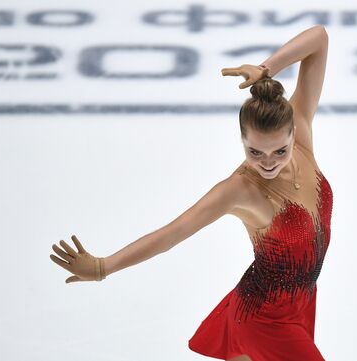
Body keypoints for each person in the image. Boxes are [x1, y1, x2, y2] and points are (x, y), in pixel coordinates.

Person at [50, 25, 332, 361]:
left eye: (278, 151)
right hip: (264, 318)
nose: (267, 163)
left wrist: (266, 68)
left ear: (292, 133)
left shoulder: (302, 137)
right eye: (255, 152)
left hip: (300, 303)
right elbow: (171, 234)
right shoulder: (240, 190)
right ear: (243, 141)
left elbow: (319, 39)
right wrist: (103, 266)